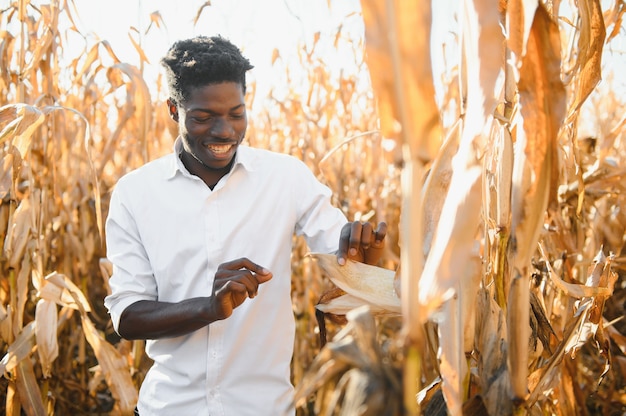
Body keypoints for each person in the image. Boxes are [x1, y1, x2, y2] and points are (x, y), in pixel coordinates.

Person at [103, 35, 387, 416]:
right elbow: (128, 316)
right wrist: (208, 307)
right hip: (169, 408)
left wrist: (364, 258)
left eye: (236, 114)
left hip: (265, 407)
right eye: (203, 118)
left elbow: (346, 263)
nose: (224, 132)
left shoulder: (286, 178)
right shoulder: (134, 193)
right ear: (174, 109)